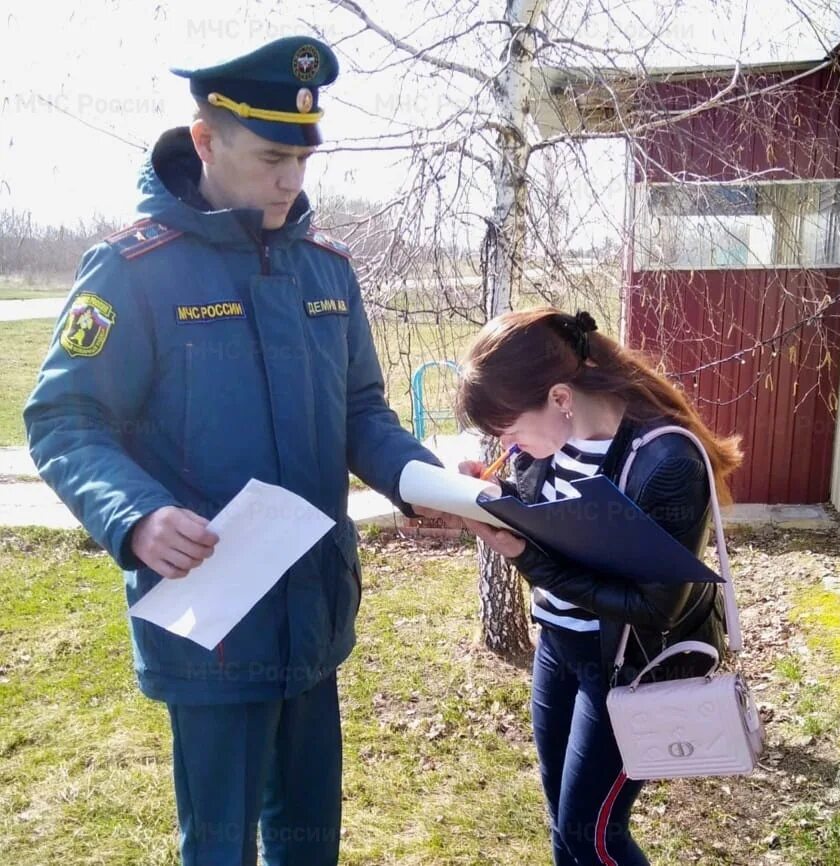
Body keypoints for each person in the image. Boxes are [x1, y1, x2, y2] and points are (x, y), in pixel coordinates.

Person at [23, 36, 442, 866]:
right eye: (272, 157)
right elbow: (66, 418)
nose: (292, 181)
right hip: (212, 616)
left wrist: (417, 478)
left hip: (314, 610)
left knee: (309, 841)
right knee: (218, 847)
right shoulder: (133, 271)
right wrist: (135, 515)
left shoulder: (328, 271)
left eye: (304, 159)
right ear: (207, 141)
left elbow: (361, 409)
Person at [455, 307, 742, 866]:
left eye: (508, 426)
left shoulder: (665, 460)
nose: (504, 442)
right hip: (557, 647)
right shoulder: (540, 447)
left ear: (560, 398)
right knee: (563, 822)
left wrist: (523, 557)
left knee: (594, 835)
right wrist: (496, 497)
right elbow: (561, 527)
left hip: (626, 664)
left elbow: (655, 606)